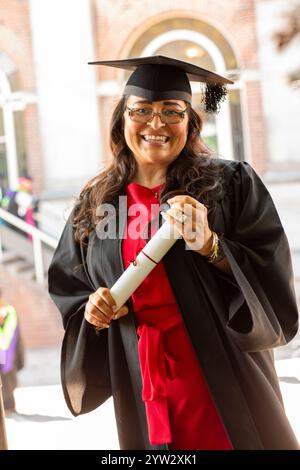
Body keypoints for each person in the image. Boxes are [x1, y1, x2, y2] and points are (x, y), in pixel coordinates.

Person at [48, 56, 299, 450]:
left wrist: (213, 247)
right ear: (122, 118)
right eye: (142, 111)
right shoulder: (96, 205)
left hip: (220, 376)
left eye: (172, 112)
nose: (156, 124)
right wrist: (93, 312)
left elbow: (272, 272)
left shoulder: (230, 185)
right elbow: (71, 288)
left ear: (190, 121)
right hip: (142, 378)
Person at [0, 291, 24, 415]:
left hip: (8, 353)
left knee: (8, 380)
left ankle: (9, 407)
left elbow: (11, 336)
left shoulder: (9, 311)